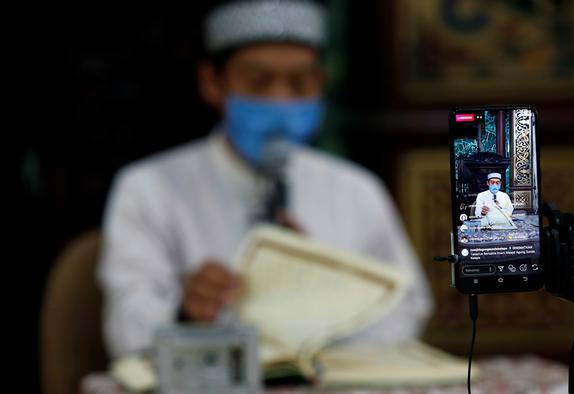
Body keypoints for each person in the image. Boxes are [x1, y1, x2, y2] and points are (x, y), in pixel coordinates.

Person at [98, 0, 432, 359]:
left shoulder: (356, 191)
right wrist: (185, 313)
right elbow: (126, 330)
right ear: (212, 83)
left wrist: (330, 315)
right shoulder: (148, 190)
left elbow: (408, 308)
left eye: (300, 83)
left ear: (320, 83)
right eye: (258, 83)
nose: (280, 100)